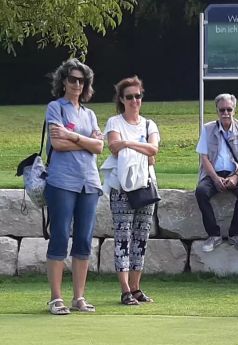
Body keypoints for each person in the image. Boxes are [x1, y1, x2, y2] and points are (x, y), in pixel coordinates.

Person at [44, 58, 104, 315]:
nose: (77, 84)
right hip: (61, 181)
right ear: (64, 81)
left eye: (81, 80)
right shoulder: (55, 107)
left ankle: (78, 297)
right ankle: (56, 298)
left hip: (89, 182)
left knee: (83, 240)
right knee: (59, 236)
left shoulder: (89, 114)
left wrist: (73, 136)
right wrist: (86, 141)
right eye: (72, 79)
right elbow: (57, 145)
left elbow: (99, 147)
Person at [101, 76, 160, 306]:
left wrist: (129, 144)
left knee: (141, 238)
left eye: (138, 96)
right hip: (122, 187)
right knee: (123, 237)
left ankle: (136, 288)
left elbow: (154, 149)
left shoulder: (149, 124)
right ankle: (125, 289)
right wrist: (140, 148)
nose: (135, 100)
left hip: (145, 186)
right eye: (129, 97)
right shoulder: (114, 123)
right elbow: (114, 148)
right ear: (121, 99)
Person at [195, 93, 238, 252]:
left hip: (235, 172)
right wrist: (215, 178)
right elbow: (204, 158)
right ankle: (213, 235)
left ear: (234, 110)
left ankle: (235, 233)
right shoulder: (208, 129)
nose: (225, 113)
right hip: (213, 173)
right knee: (201, 192)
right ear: (217, 110)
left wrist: (236, 177)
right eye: (222, 110)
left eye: (229, 109)